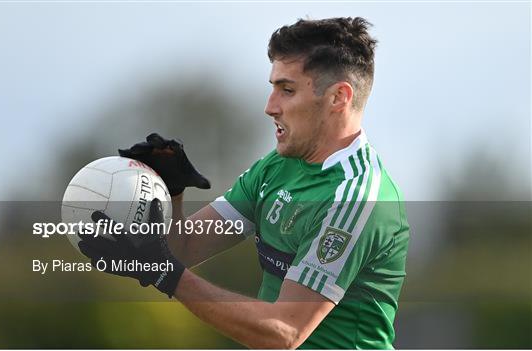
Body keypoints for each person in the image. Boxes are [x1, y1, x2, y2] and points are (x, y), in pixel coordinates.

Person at [78, 17, 410, 349]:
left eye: (287, 89)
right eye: (272, 87)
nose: (270, 106)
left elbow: (283, 332)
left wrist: (167, 274)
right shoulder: (277, 168)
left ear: (339, 97)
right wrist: (171, 192)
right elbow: (183, 249)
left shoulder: (356, 198)